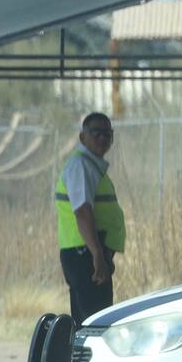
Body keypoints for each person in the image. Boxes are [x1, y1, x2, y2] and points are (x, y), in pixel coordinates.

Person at [55, 112, 125, 325]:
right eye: (96, 133)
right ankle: (87, 359)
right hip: (85, 255)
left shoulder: (91, 166)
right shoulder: (82, 166)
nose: (102, 138)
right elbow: (82, 211)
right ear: (82, 137)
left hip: (86, 254)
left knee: (88, 321)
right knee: (94, 323)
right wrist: (97, 256)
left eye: (107, 134)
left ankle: (80, 357)